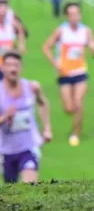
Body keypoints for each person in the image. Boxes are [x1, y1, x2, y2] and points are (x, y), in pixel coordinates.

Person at [41, 3, 94, 146]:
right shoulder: (61, 31)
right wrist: (56, 65)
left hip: (80, 72)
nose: (75, 17)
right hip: (64, 74)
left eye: (77, 14)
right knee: (68, 108)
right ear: (66, 16)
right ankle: (74, 120)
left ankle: (75, 134)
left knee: (78, 102)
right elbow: (46, 47)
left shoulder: (86, 31)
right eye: (71, 14)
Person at [0, 52, 52, 183]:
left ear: (21, 67)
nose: (13, 69)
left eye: (16, 65)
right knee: (11, 190)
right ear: (2, 67)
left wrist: (47, 128)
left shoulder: (31, 87)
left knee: (30, 185)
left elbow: (43, 103)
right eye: (9, 65)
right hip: (6, 150)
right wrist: (5, 117)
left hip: (29, 147)